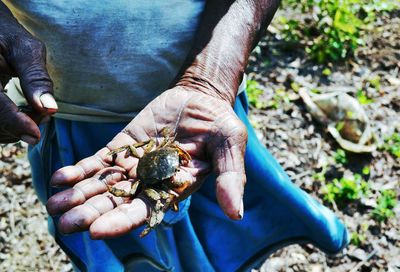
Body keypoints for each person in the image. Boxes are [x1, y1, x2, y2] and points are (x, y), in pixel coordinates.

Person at [0, 1, 348, 271]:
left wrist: (211, 82)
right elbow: (132, 175)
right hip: (72, 118)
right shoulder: (137, 166)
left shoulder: (178, 142)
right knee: (115, 235)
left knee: (228, 221)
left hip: (201, 110)